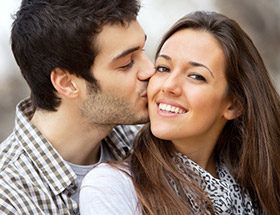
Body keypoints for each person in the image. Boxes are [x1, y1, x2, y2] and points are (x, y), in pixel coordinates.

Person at [80, 11, 280, 215]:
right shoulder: (114, 187)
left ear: (233, 106)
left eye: (195, 76)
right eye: (163, 68)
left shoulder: (258, 189)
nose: (169, 86)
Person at [0, 0, 154, 214]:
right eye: (126, 63)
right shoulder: (10, 200)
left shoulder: (147, 143)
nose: (150, 70)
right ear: (67, 83)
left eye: (143, 50)